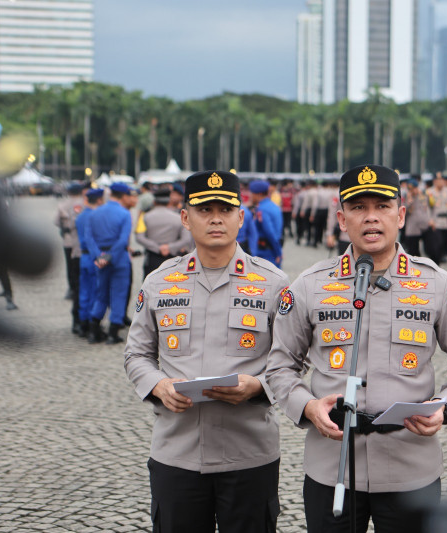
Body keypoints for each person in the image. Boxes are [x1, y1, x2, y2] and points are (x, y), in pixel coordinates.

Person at [266, 164, 447, 533]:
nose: (371, 218)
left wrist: (446, 407)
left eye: (382, 206)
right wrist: (306, 405)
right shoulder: (309, 285)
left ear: (400, 215)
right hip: (331, 467)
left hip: (409, 469)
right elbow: (280, 365)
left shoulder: (436, 284)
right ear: (341, 218)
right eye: (358, 208)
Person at [124, 170, 288, 533]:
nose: (216, 218)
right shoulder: (159, 282)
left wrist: (258, 385)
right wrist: (159, 386)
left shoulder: (273, 283)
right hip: (177, 452)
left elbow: (291, 362)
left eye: (226, 209)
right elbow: (136, 355)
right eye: (204, 209)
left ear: (241, 217)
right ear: (185, 217)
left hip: (249, 453)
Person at [85, 182, 135, 344]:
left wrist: (99, 257)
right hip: (118, 258)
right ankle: (113, 332)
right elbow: (122, 240)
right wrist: (110, 257)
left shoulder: (94, 213)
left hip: (99, 258)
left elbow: (89, 238)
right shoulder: (125, 214)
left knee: (101, 294)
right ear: (124, 196)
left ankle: (94, 329)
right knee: (118, 294)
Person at [135, 188, 192, 278]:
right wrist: (169, 247)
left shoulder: (145, 217)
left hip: (152, 258)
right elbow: (186, 239)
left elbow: (139, 237)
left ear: (154, 202)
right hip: (173, 258)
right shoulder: (179, 218)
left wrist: (157, 247)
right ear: (169, 202)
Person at [74, 186, 104, 337]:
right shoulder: (96, 216)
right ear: (99, 200)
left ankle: (82, 323)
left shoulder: (80, 216)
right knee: (95, 291)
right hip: (93, 256)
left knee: (84, 291)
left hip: (83, 256)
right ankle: (93, 325)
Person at [55, 182, 84, 300]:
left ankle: (72, 289)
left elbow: (56, 221)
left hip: (68, 239)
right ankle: (81, 288)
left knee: (70, 266)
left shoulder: (62, 204)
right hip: (82, 239)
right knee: (81, 265)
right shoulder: (85, 204)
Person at [250, 180, 283, 267]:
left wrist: (278, 253)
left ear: (259, 194)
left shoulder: (262, 209)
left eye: (252, 193)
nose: (251, 196)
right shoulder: (274, 206)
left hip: (265, 252)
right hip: (272, 248)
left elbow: (270, 232)